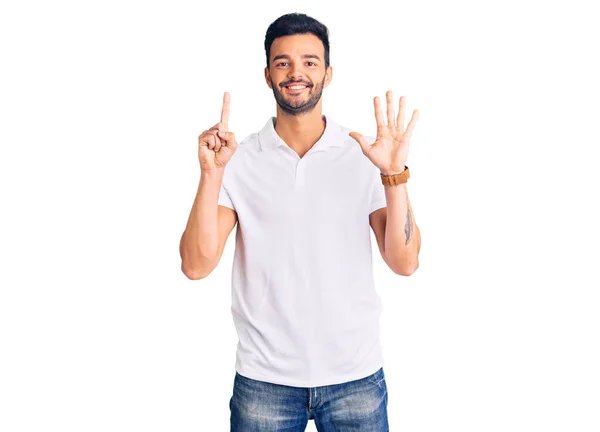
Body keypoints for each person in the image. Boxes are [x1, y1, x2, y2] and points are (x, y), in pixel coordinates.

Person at [179, 12, 421, 432]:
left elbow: (405, 262)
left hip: (355, 377)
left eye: (310, 62)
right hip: (265, 381)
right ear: (268, 74)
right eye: (283, 62)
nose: (296, 73)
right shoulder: (239, 160)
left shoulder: (363, 156)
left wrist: (393, 175)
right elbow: (196, 266)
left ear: (328, 73)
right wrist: (211, 173)